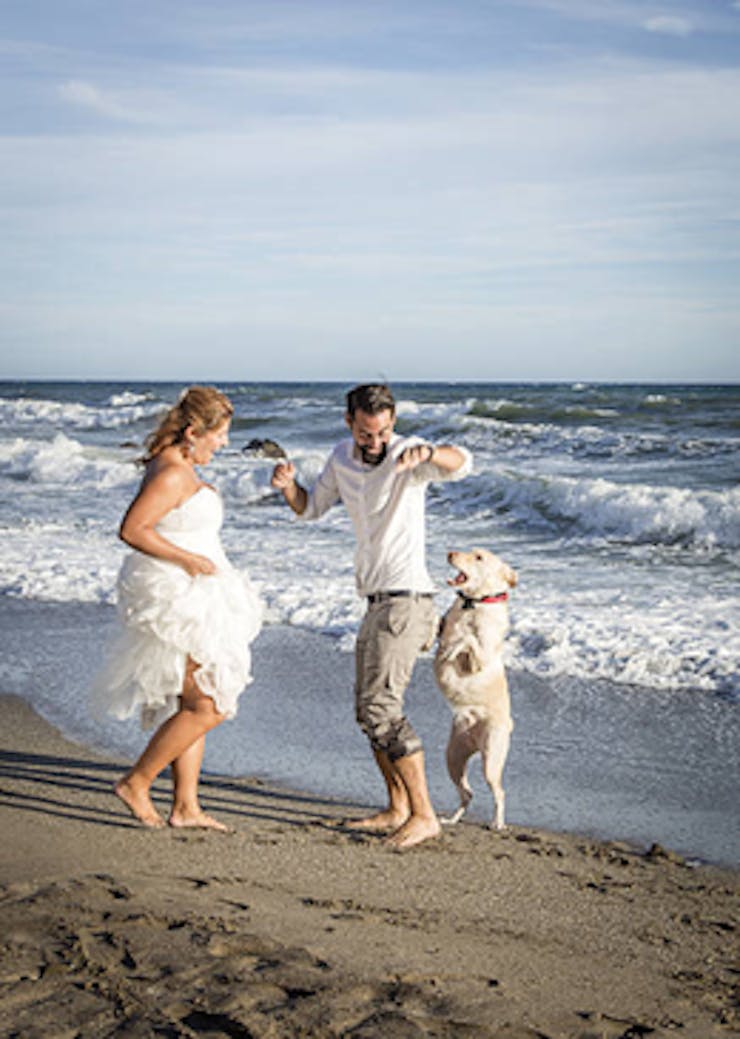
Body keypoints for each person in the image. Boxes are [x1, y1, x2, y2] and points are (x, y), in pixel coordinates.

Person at [271, 383, 472, 848]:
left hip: (408, 602)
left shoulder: (409, 456)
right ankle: (397, 807)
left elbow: (463, 463)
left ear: (393, 422)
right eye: (366, 432)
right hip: (376, 601)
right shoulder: (341, 457)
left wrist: (431, 451)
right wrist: (287, 488)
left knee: (382, 710)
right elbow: (310, 508)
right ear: (349, 423)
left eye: (382, 431)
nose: (375, 441)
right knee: (368, 712)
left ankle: (424, 815)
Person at [92, 385, 262, 831]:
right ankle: (136, 782)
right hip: (179, 595)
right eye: (219, 434)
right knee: (209, 704)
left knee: (189, 701)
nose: (224, 443)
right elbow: (132, 529)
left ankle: (186, 806)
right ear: (193, 431)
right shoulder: (171, 472)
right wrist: (187, 560)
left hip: (198, 591)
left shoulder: (178, 463)